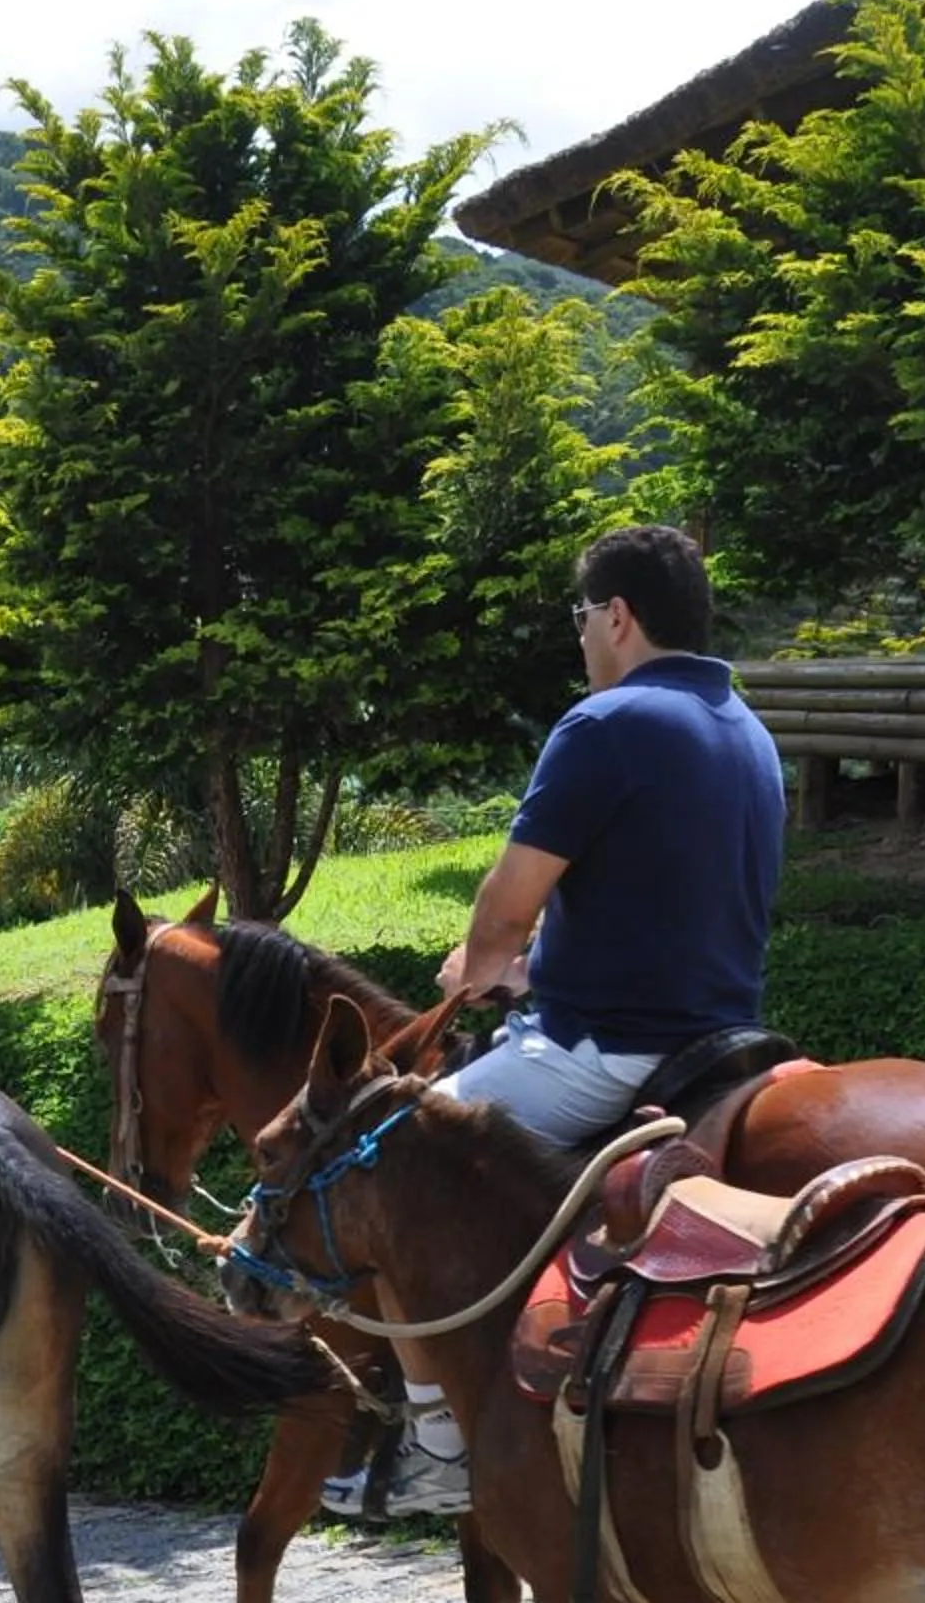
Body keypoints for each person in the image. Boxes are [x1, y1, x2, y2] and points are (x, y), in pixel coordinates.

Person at [325, 522, 784, 1520]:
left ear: (617, 617)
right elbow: (665, 914)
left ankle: (437, 1449)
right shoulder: (747, 727)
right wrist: (533, 972)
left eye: (581, 618)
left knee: (381, 1153)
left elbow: (504, 905)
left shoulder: (604, 724)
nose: (579, 639)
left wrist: (483, 964)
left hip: (600, 1054)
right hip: (724, 1042)